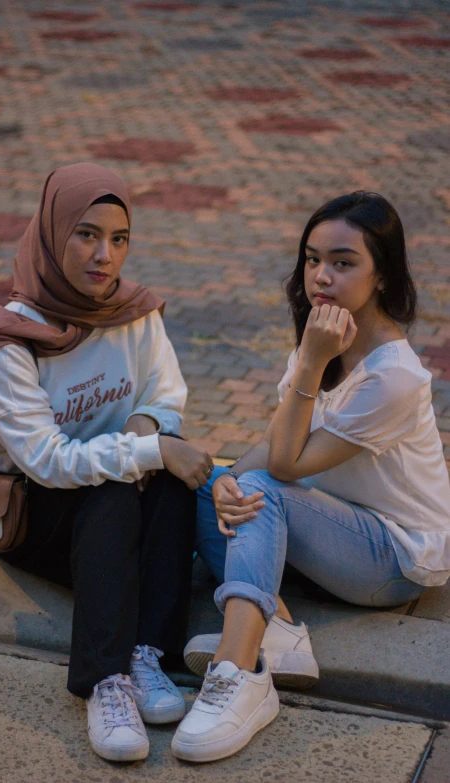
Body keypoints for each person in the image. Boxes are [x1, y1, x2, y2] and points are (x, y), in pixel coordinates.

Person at [171, 191, 450, 763]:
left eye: (344, 263)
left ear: (382, 275)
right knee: (205, 484)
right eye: (312, 258)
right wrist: (222, 480)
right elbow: (276, 443)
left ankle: (238, 674)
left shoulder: (394, 376)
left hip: (393, 559)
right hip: (328, 528)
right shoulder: (323, 339)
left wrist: (313, 361)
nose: (321, 277)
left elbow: (284, 466)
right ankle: (278, 631)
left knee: (261, 488)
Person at [0, 163, 214, 763]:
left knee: (167, 484)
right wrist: (147, 451)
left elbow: (165, 394)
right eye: (87, 234)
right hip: (41, 516)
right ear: (52, 232)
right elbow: (45, 460)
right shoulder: (12, 343)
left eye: (119, 239)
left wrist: (150, 434)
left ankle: (147, 653)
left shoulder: (136, 313)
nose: (105, 256)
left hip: (116, 505)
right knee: (117, 490)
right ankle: (104, 680)